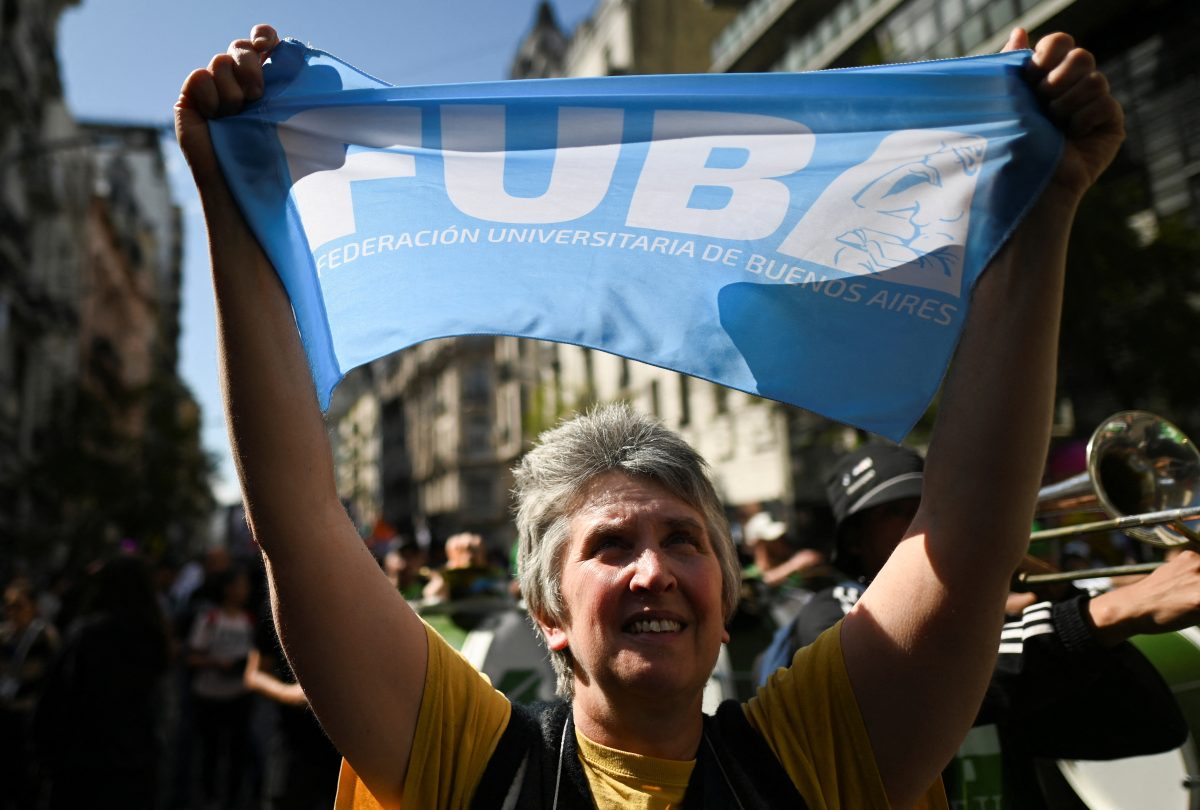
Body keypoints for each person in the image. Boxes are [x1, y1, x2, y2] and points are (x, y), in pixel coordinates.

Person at [175, 23, 1124, 808]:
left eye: (684, 539)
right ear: (545, 613)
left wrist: (1045, 211)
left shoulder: (819, 751)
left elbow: (967, 530)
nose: (654, 571)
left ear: (729, 596)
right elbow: (299, 525)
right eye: (608, 547)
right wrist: (233, 203)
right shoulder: (465, 763)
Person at [760, 444, 1196, 803]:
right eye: (895, 511)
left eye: (930, 506)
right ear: (855, 540)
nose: (922, 524)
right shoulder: (834, 609)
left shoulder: (987, 621)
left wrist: (1060, 592)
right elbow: (902, 689)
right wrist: (1103, 614)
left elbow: (1150, 724)